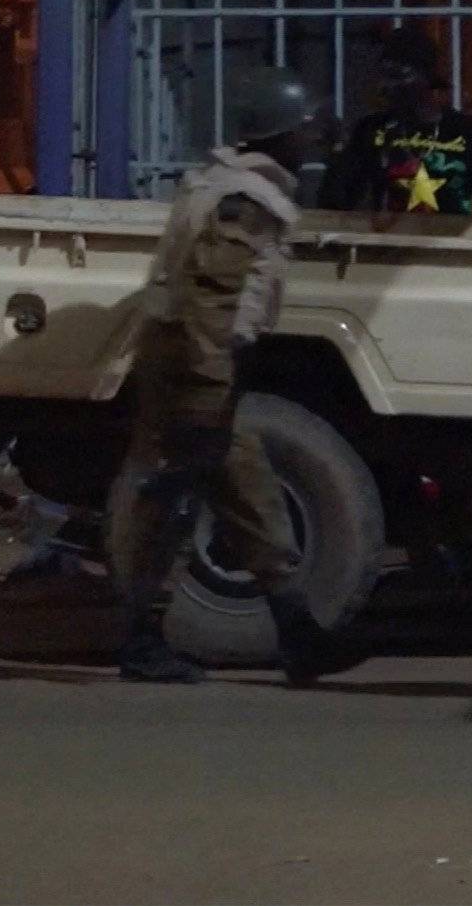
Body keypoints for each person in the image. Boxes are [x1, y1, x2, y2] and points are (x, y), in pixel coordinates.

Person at [107, 66, 360, 685]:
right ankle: (144, 640)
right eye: (305, 129)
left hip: (199, 363)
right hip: (196, 368)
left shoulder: (238, 187)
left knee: (247, 490)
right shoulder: (244, 201)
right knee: (172, 501)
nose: (315, 138)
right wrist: (209, 393)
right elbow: (213, 303)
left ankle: (297, 631)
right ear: (280, 135)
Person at [319, 26, 472, 217]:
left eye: (398, 76)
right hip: (393, 242)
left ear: (427, 77)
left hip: (453, 242)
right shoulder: (372, 129)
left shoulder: (469, 131)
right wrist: (337, 155)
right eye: (383, 75)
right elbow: (337, 204)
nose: (386, 86)